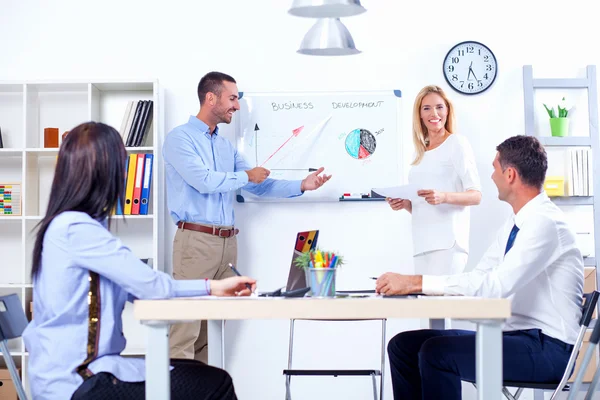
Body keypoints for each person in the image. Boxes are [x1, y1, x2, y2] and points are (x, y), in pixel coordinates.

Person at [22, 122, 256, 400]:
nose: (125, 174)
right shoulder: (76, 229)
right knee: (215, 383)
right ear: (104, 172)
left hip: (82, 373)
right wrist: (210, 287)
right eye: (122, 164)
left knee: (198, 372)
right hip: (77, 382)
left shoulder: (71, 226)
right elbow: (152, 286)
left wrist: (213, 288)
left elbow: (142, 288)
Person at [377, 135, 584, 400]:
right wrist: (418, 286)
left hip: (548, 350)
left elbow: (496, 287)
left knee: (436, 352)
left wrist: (417, 282)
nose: (491, 176)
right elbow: (481, 276)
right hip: (517, 337)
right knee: (403, 346)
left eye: (494, 168)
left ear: (510, 174)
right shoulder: (516, 222)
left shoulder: (545, 224)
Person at [162, 71, 331, 362]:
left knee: (211, 333)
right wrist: (245, 175)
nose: (236, 106)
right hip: (196, 242)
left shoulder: (224, 146)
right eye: (232, 99)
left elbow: (258, 184)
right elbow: (204, 180)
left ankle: (203, 393)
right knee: (185, 330)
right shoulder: (180, 139)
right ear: (210, 97)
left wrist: (302, 185)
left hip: (228, 245)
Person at [387, 85, 481, 277]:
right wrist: (405, 203)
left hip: (448, 244)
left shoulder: (457, 143)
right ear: (420, 115)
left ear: (447, 110)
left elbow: (476, 196)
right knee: (425, 306)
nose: (434, 113)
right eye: (426, 108)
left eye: (439, 107)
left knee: (442, 304)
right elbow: (423, 205)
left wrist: (444, 196)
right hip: (422, 244)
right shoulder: (419, 153)